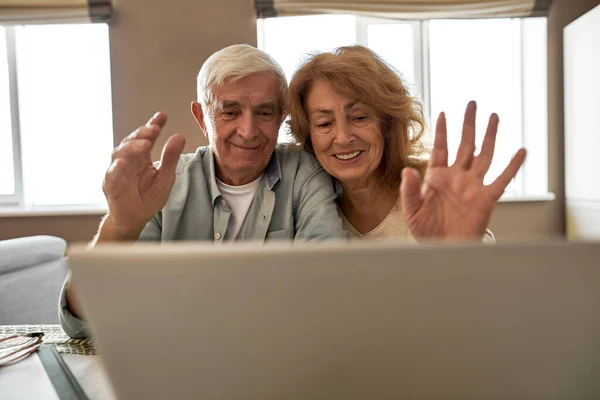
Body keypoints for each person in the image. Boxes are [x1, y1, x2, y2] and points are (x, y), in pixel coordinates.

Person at [59, 44, 346, 338]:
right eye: (230, 112)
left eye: (264, 112)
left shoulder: (306, 174)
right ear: (201, 117)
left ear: (282, 116)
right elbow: (81, 324)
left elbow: (329, 288)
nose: (248, 131)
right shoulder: (160, 185)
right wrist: (118, 230)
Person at [287, 45, 526, 241]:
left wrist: (458, 249)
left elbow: (483, 288)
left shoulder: (430, 195)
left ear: (388, 124)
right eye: (324, 123)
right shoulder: (309, 209)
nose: (342, 137)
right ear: (309, 135)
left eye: (359, 117)